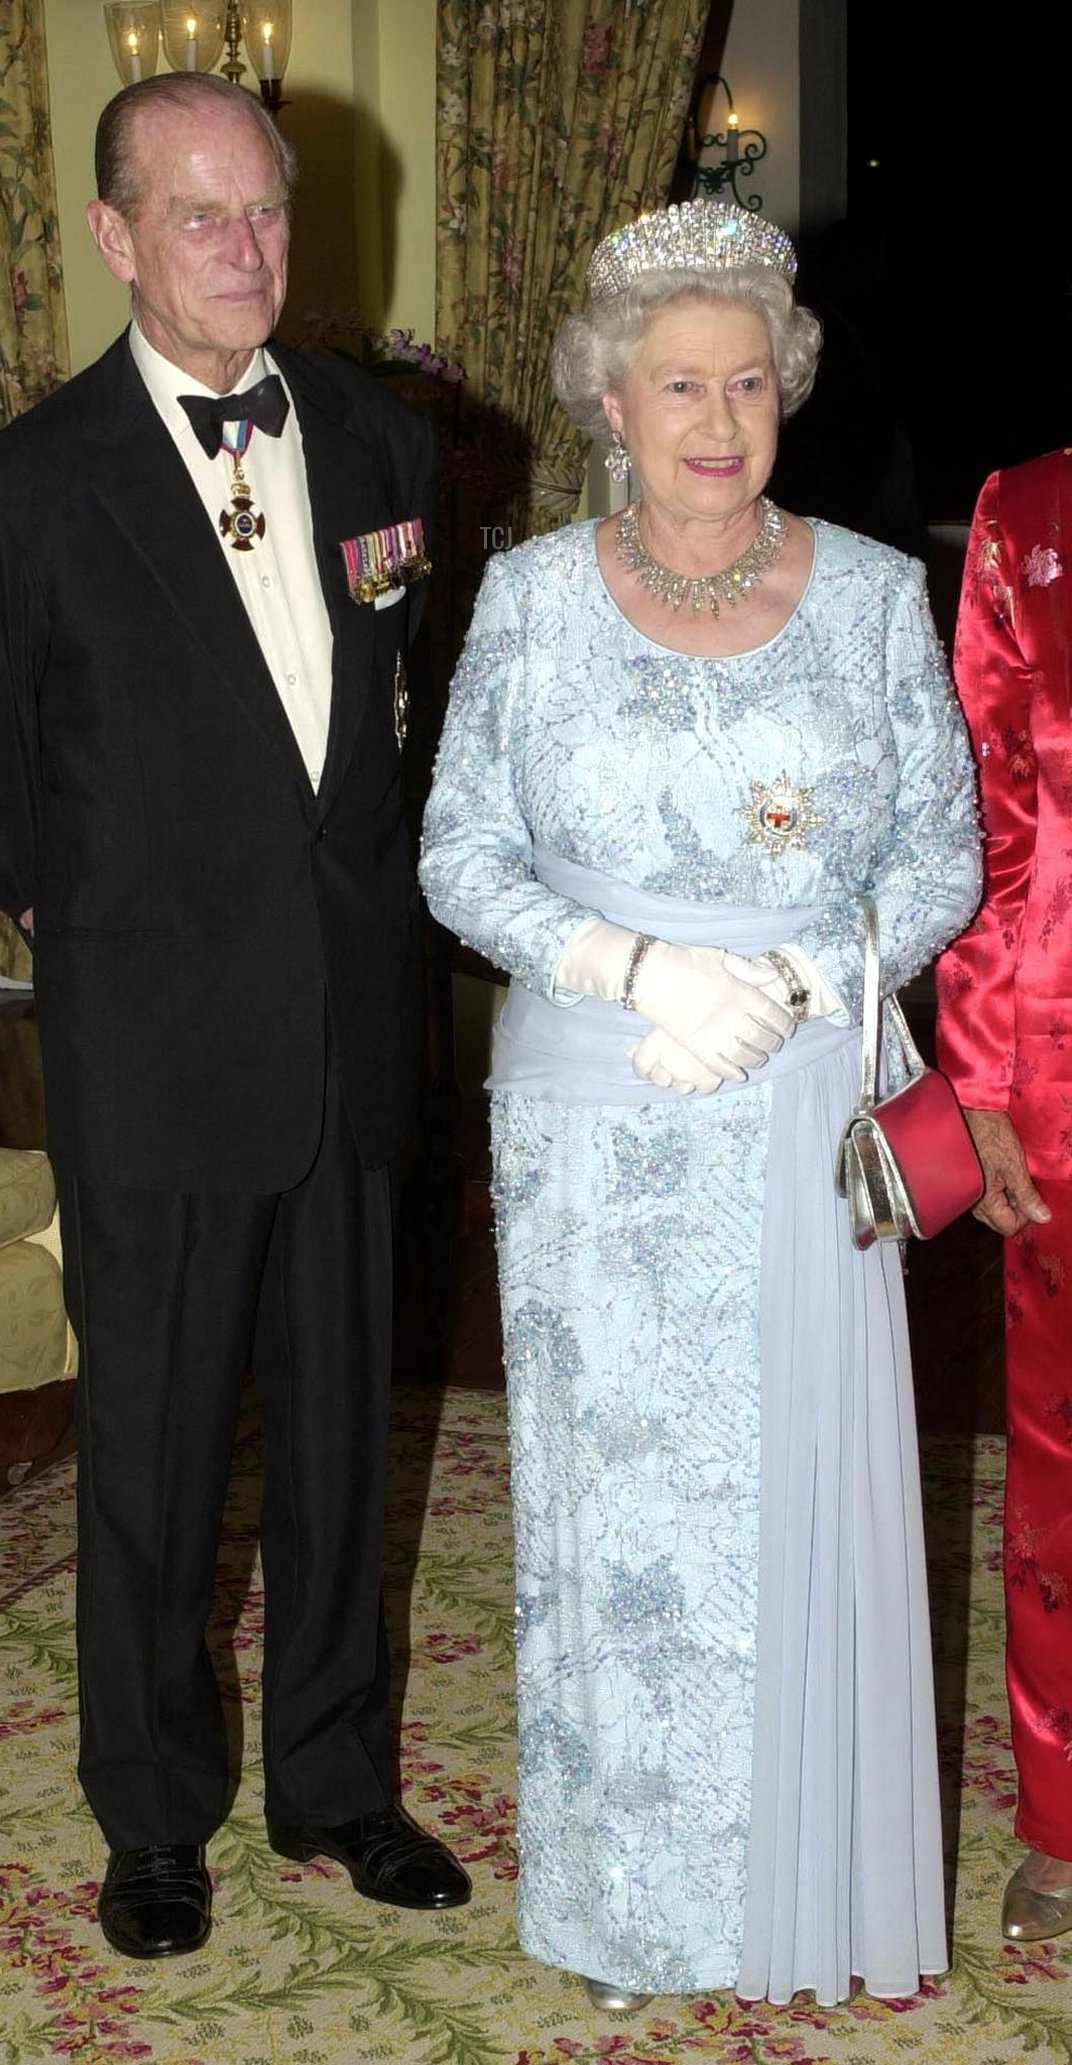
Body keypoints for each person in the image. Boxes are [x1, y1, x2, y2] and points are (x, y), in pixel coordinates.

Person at [0, 70, 469, 1960]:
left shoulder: (388, 445)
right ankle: (151, 1812)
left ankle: (336, 1777)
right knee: (149, 1456)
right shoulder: (16, 492)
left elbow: (398, 721)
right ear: (115, 236)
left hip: (349, 1030)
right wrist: (125, 930)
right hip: (156, 1044)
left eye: (268, 215)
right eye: (202, 215)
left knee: (340, 1438)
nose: (245, 251)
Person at [419, 200, 981, 2011]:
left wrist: (816, 979)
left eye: (750, 380)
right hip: (595, 1115)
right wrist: (630, 967)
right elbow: (456, 855)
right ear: (611, 397)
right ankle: (629, 1908)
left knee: (787, 1507)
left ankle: (793, 1897)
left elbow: (948, 855)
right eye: (681, 384)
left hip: (796, 1113)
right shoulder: (525, 599)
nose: (720, 421)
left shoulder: (882, 596)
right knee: (613, 1521)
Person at [935, 451, 1072, 1944]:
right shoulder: (1026, 518)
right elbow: (996, 815)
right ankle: (1066, 1816)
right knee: (1059, 1468)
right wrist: (976, 1074)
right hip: (1060, 1063)